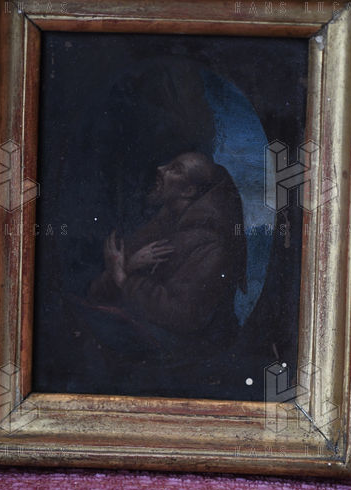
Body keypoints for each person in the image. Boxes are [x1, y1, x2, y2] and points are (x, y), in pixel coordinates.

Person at [69, 151, 247, 390]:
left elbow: (183, 315)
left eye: (175, 169)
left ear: (188, 191)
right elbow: (98, 294)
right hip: (150, 337)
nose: (161, 169)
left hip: (186, 353)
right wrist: (126, 268)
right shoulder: (158, 228)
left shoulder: (210, 244)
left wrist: (123, 279)